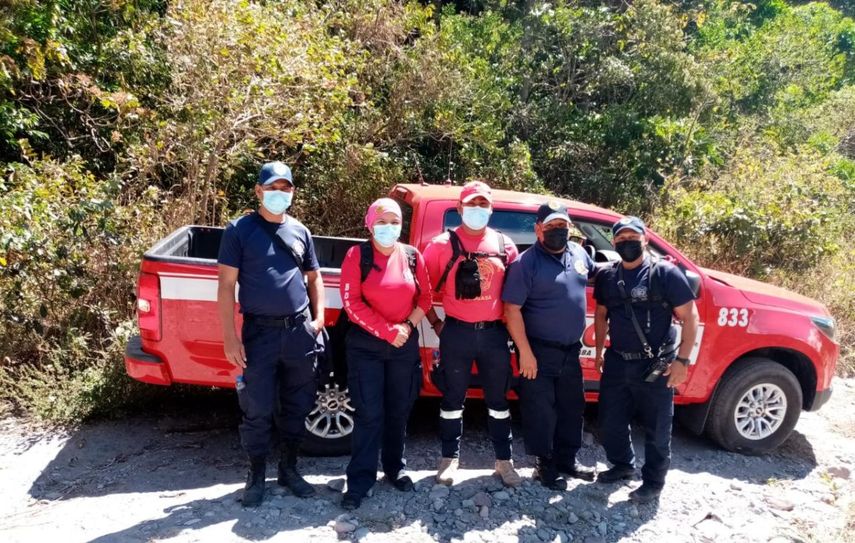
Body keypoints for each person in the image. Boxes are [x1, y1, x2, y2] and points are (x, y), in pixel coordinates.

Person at [217, 161, 326, 507]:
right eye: (272, 187)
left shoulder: (301, 231)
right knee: (258, 408)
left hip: (298, 332)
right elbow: (225, 287)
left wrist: (319, 319)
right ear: (258, 191)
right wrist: (230, 338)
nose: (279, 194)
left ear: (292, 192)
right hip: (259, 335)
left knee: (298, 406)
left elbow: (314, 278)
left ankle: (289, 469)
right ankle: (255, 474)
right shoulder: (239, 230)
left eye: (285, 188)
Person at [422, 180, 522, 487]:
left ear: (491, 208)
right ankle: (449, 459)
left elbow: (515, 297)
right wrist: (438, 324)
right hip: (456, 333)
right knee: (452, 398)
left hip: (493, 335)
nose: (477, 210)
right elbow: (422, 292)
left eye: (483, 205)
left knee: (498, 399)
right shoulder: (440, 245)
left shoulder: (506, 246)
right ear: (459, 208)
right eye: (471, 204)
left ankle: (504, 462)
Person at [593, 216, 699, 502]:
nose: (627, 242)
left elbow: (690, 317)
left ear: (645, 240)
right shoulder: (607, 276)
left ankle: (654, 482)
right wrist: (600, 350)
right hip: (617, 361)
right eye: (621, 238)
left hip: (656, 365)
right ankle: (622, 465)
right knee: (609, 422)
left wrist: (683, 361)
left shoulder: (665, 274)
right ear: (614, 242)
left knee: (657, 428)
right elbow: (602, 315)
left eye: (633, 237)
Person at [338, 198, 432, 510]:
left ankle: (395, 468)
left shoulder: (412, 256)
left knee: (399, 410)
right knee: (369, 414)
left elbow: (426, 299)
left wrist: (406, 327)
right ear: (369, 224)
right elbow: (352, 304)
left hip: (403, 347)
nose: (388, 227)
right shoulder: (358, 255)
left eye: (394, 222)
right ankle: (360, 481)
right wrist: (387, 331)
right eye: (382, 221)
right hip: (367, 348)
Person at [503, 201, 597, 490]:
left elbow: (598, 272)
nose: (558, 231)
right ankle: (545, 465)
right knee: (541, 410)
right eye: (551, 226)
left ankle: (567, 460)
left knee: (572, 407)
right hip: (537, 351)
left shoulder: (579, 253)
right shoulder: (525, 263)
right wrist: (526, 353)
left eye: (562, 226)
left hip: (570, 349)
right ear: (538, 229)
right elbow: (511, 309)